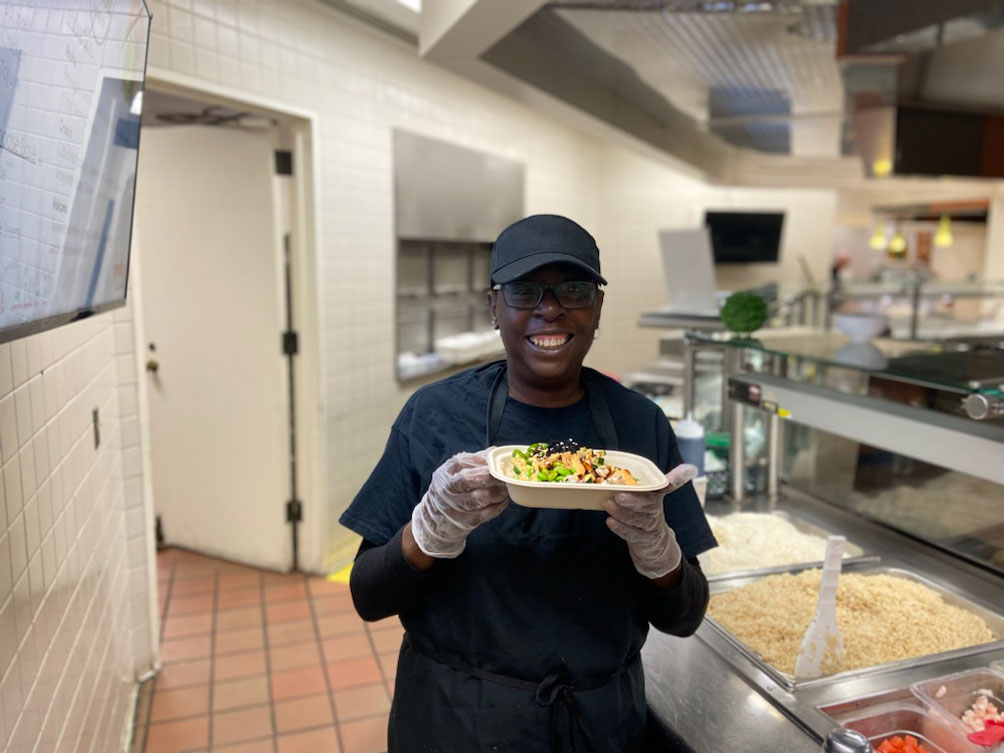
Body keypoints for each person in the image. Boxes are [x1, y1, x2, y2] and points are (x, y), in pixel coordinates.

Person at [340, 214, 717, 753]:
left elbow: (684, 617)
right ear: (495, 308)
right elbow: (367, 596)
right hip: (455, 721)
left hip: (601, 726)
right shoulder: (434, 416)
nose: (551, 307)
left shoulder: (640, 426)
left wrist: (659, 552)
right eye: (524, 290)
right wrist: (427, 534)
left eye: (573, 288)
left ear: (598, 306)